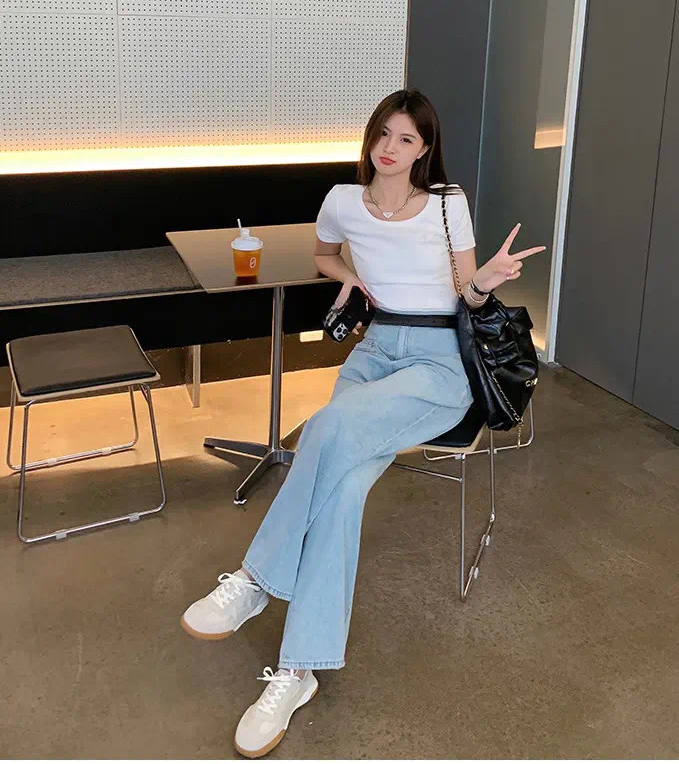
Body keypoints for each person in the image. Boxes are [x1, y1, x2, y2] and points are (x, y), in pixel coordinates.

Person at [180, 89, 546, 758]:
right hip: (373, 353)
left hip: (437, 366)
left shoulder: (447, 203)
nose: (390, 148)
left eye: (406, 139)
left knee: (324, 427)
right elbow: (323, 253)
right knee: (344, 489)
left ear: (424, 149)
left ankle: (257, 579)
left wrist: (486, 279)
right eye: (383, 133)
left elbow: (464, 295)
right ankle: (298, 672)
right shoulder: (342, 201)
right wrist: (352, 279)